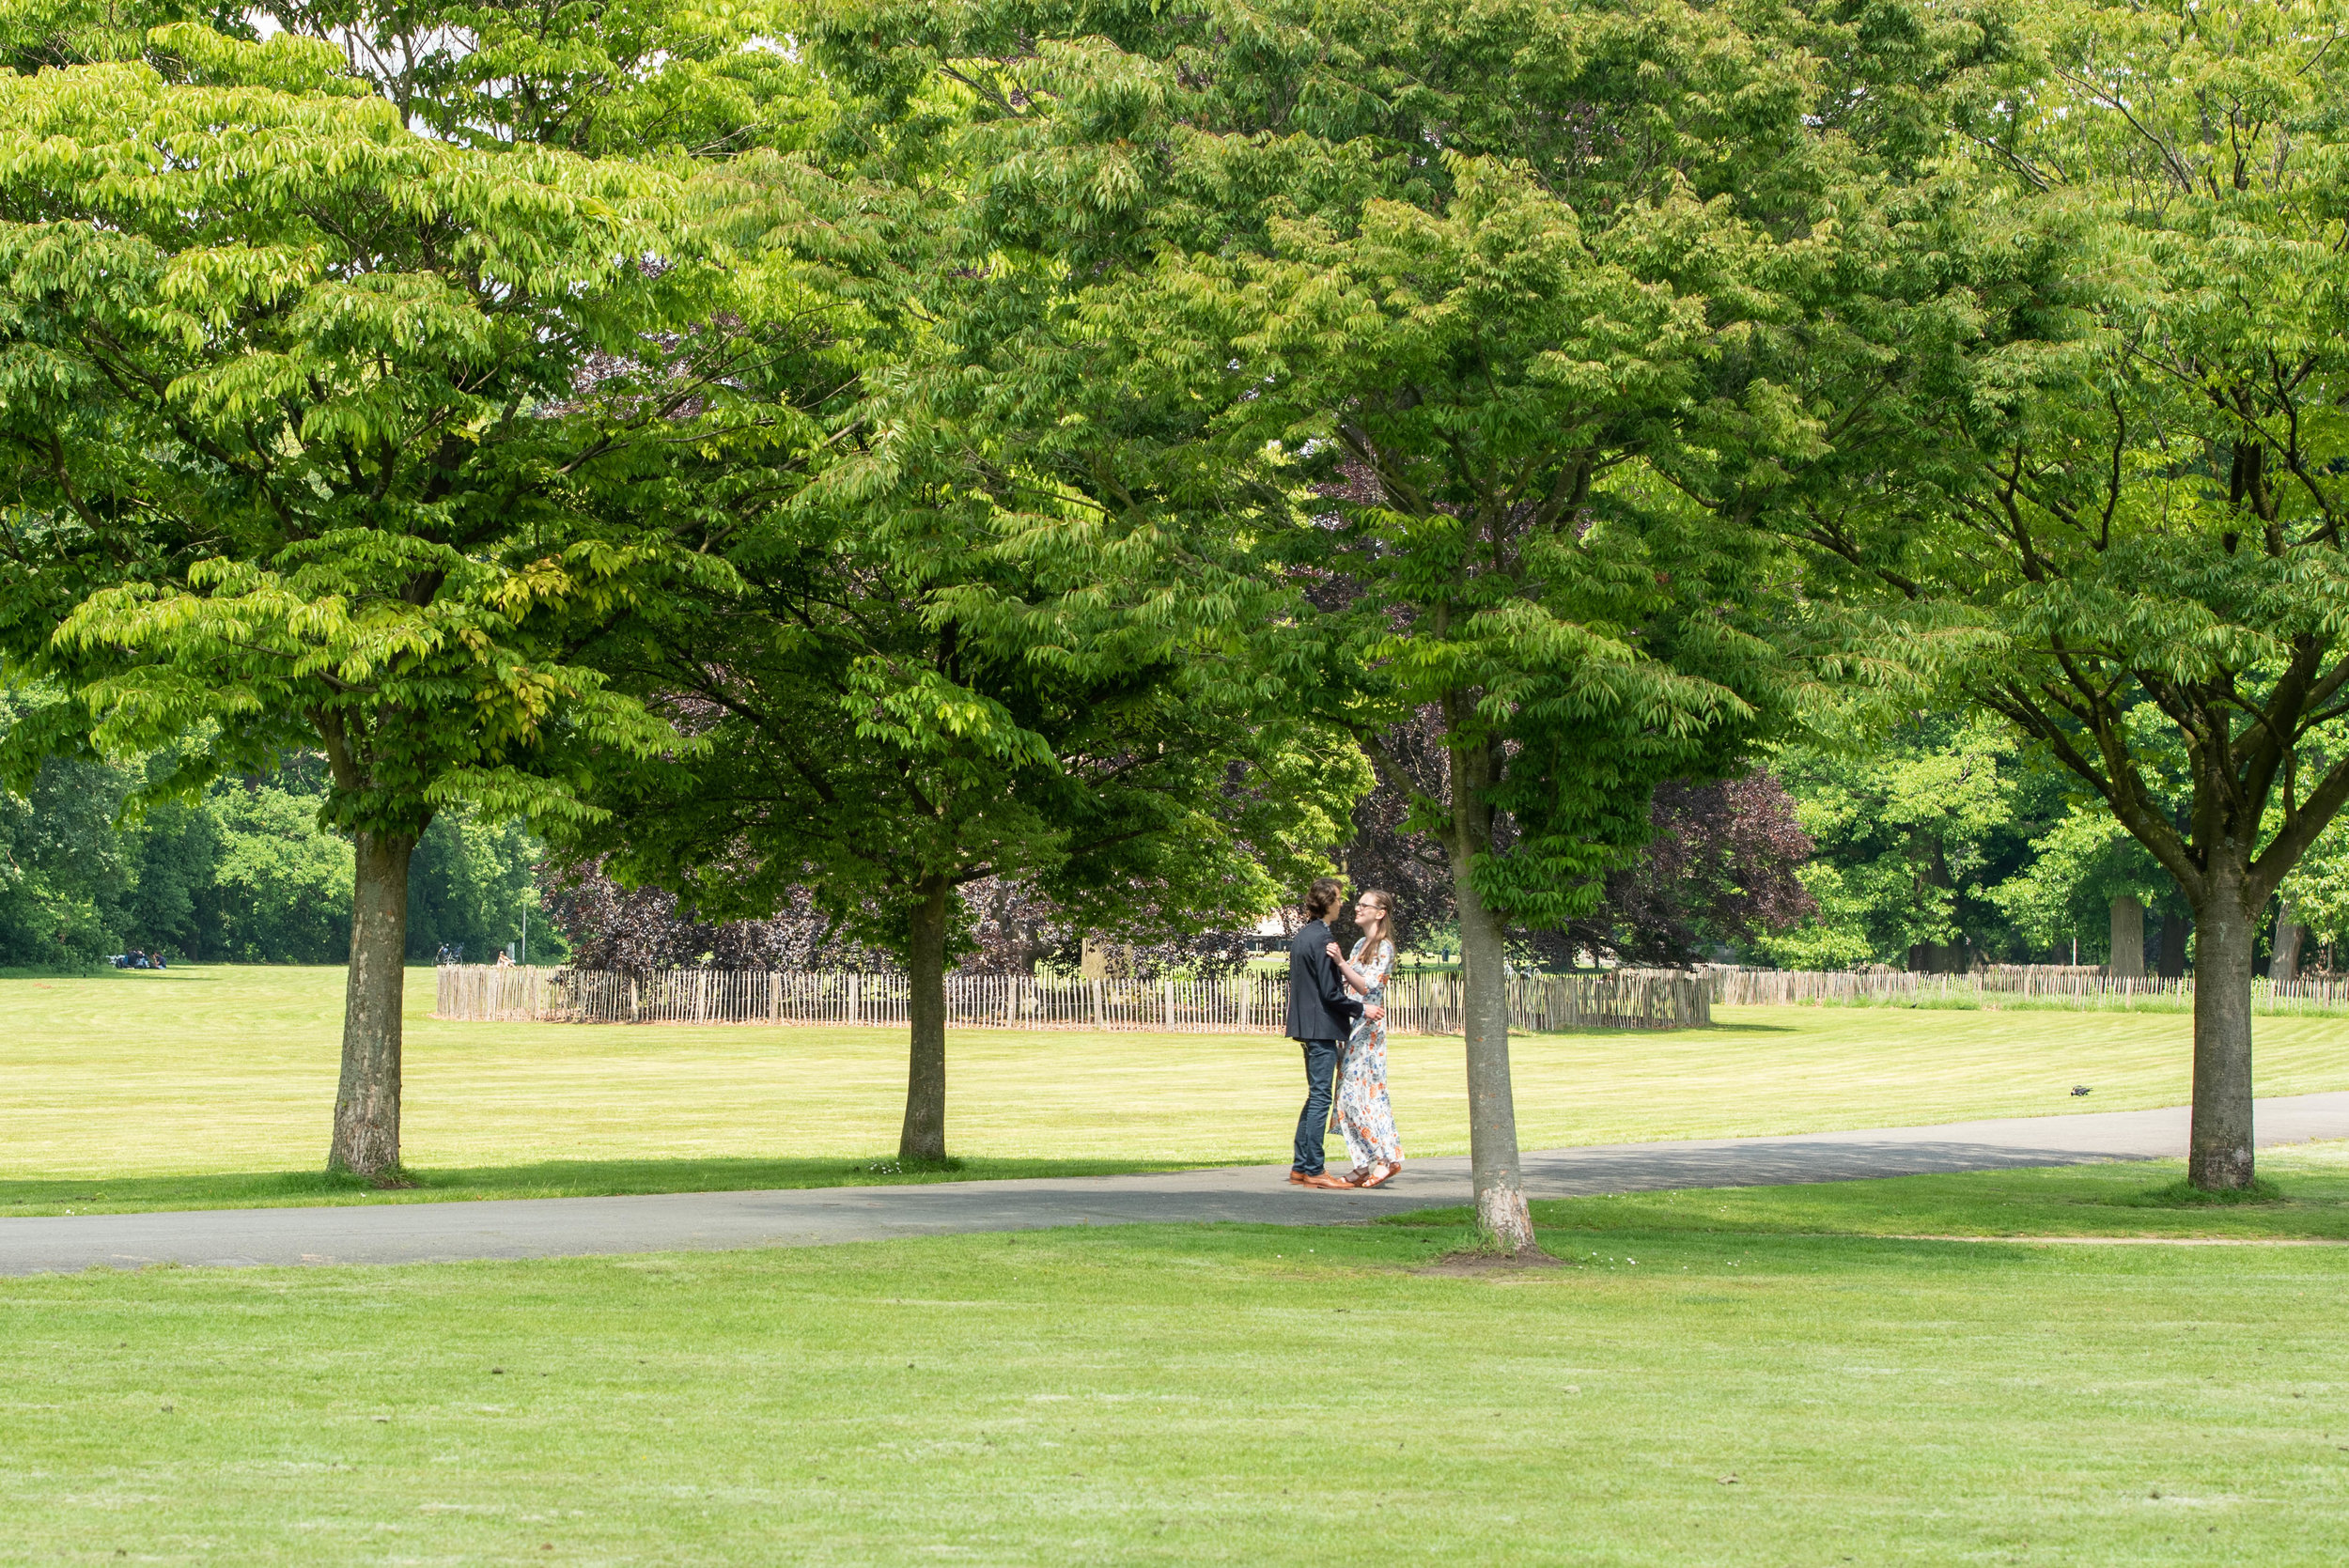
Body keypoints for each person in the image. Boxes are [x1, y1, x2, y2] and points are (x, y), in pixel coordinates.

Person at [1284, 877, 1381, 1189]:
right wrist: (1360, 1009)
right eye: (1338, 898)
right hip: (1321, 1028)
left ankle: (1301, 1167)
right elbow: (1329, 993)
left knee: (1315, 1096)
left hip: (1306, 1026)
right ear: (1327, 902)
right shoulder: (1324, 939)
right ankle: (1314, 1169)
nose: (1342, 903)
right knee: (1320, 1098)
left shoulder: (1304, 935)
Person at [1327, 890, 1404, 1188]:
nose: (1357, 908)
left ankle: (1384, 1160)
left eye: (1364, 905)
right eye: (1358, 904)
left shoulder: (1384, 948)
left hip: (1368, 1032)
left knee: (1360, 1098)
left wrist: (1341, 962)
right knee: (1347, 1100)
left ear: (1380, 912)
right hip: (1352, 1028)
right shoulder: (1361, 944)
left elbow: (1365, 986)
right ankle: (1362, 1164)